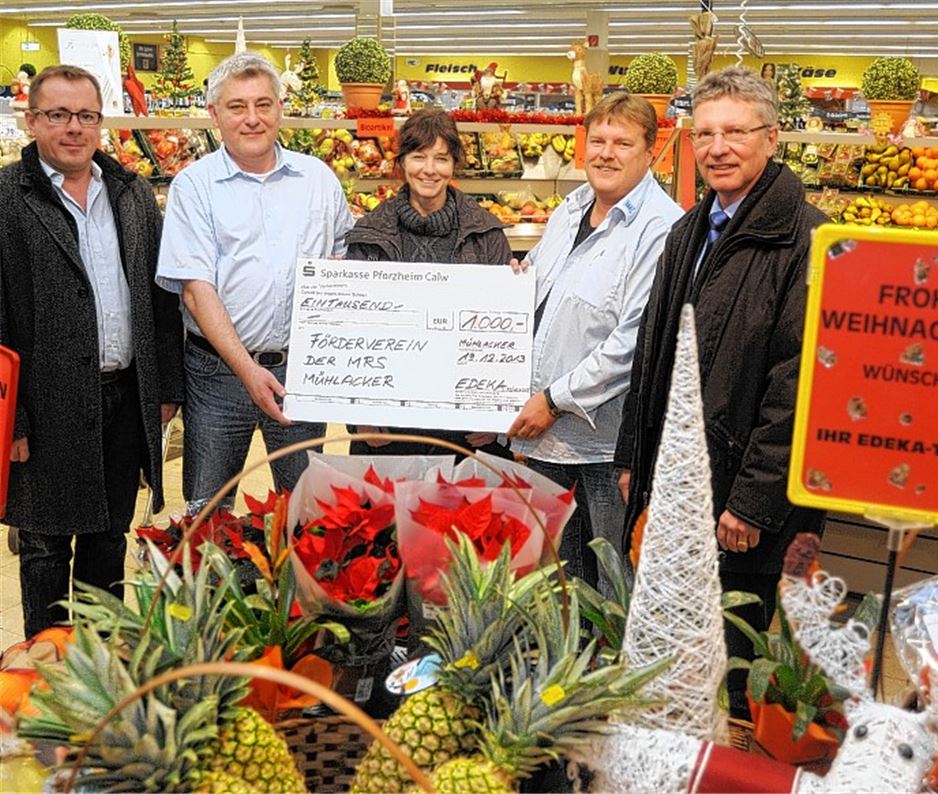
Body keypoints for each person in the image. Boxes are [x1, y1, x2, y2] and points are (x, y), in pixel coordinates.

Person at [615, 66, 828, 717]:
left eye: (735, 131)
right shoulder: (687, 232)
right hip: (678, 487)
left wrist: (753, 501)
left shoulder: (808, 241)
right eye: (704, 133)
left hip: (745, 508)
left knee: (733, 667)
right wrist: (631, 458)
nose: (717, 147)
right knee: (675, 653)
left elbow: (798, 387)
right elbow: (651, 356)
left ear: (771, 138)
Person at [0, 64, 183, 638]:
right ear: (31, 121)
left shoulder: (129, 192)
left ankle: (101, 666)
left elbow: (160, 296)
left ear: (100, 123)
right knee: (46, 547)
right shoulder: (8, 198)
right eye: (57, 115)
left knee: (109, 537)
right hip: (44, 404)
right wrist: (13, 419)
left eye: (85, 116)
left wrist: (166, 387)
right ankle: (46, 681)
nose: (73, 128)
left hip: (124, 397)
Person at [157, 53, 354, 513]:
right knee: (209, 510)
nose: (252, 119)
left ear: (280, 108)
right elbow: (195, 288)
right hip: (218, 377)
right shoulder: (194, 186)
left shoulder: (318, 180)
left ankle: (295, 587)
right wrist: (248, 369)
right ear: (215, 115)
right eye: (237, 107)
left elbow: (347, 259)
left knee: (307, 511)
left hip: (303, 372)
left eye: (263, 105)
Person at [507, 92, 683, 595]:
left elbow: (633, 341)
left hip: (605, 445)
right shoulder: (570, 209)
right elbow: (542, 287)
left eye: (623, 142)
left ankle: (614, 671)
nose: (606, 153)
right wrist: (517, 285)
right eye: (598, 140)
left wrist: (555, 399)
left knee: (615, 580)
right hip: (543, 436)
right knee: (554, 573)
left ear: (651, 152)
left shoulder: (660, 228)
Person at [345, 108, 512, 460]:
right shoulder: (370, 234)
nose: (430, 169)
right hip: (386, 423)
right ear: (402, 162)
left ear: (455, 164)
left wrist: (496, 413)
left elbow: (503, 333)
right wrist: (357, 415)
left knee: (461, 514)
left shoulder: (486, 234)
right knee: (385, 514)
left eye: (441, 158)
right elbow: (351, 332)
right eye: (419, 157)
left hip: (462, 425)